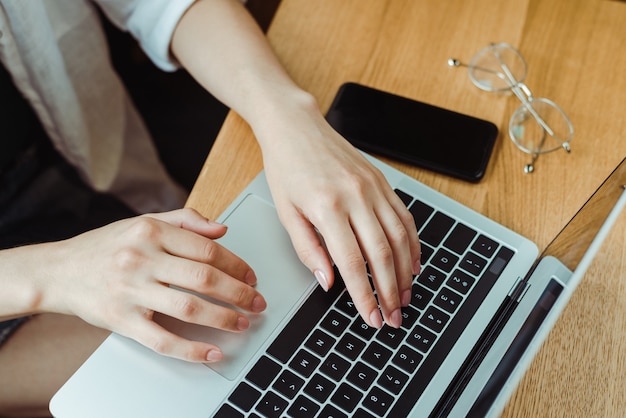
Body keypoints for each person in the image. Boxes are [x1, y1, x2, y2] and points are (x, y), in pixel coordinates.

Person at [0, 0, 421, 415]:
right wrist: (50, 272)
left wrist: (289, 119)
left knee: (277, 301)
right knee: (213, 366)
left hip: (66, 162)